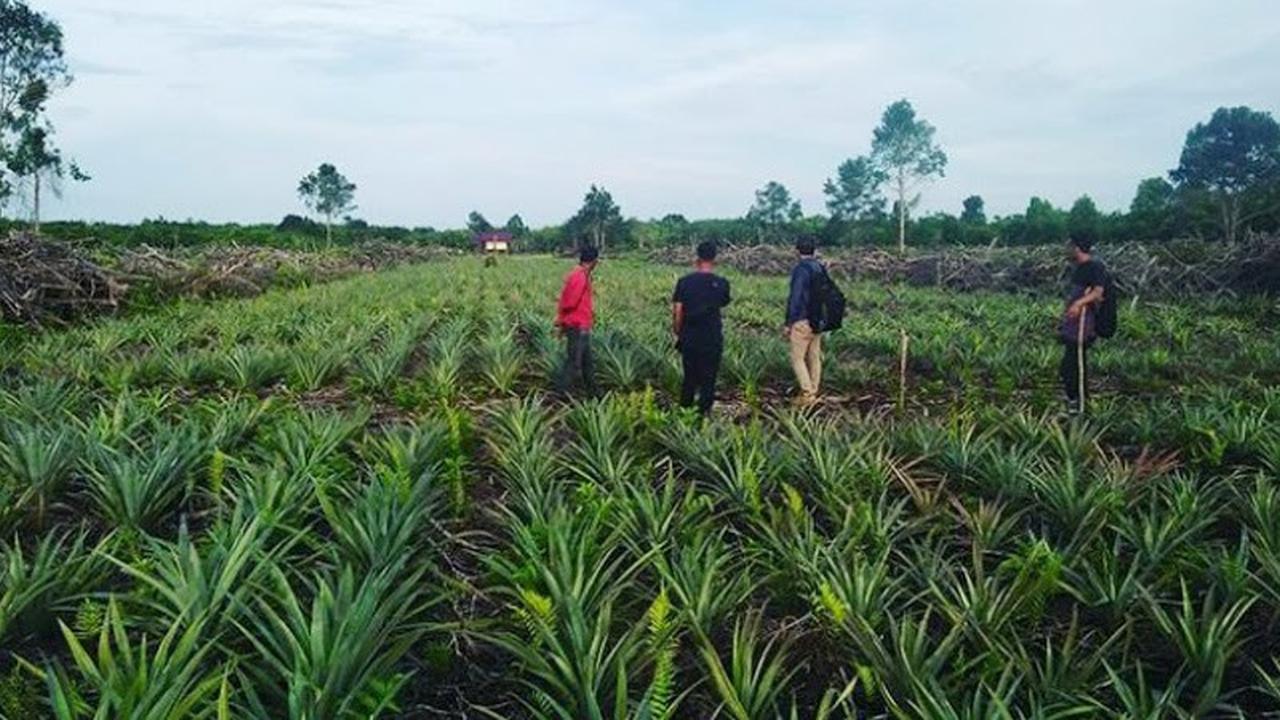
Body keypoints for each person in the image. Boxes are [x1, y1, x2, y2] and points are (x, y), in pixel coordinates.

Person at [672, 241, 732, 416]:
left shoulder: (684, 282)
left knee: (689, 377)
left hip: (690, 337)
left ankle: (684, 413)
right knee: (709, 379)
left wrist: (678, 332)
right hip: (712, 338)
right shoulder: (722, 283)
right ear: (715, 258)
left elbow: (678, 310)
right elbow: (723, 302)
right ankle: (703, 415)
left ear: (697, 258)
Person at [1060, 233, 1107, 415]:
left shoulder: (1095, 267)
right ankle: (1075, 402)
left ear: (1077, 247)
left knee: (1076, 367)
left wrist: (1079, 304)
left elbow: (1098, 292)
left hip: (1083, 326)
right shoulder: (1079, 268)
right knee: (1068, 367)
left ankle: (1081, 407)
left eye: (1069, 246)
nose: (1067, 249)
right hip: (1073, 325)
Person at [784, 236, 826, 406]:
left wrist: (789, 322)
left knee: (797, 358)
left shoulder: (800, 270)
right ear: (814, 251)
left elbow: (796, 297)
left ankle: (807, 395)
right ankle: (814, 390)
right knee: (814, 356)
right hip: (818, 320)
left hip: (802, 320)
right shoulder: (820, 268)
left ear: (797, 251)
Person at [556, 245, 599, 397]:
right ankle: (562, 393)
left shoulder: (579, 274)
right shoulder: (580, 276)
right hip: (577, 325)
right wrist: (562, 320)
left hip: (581, 324)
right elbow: (569, 302)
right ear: (594, 261)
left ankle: (594, 392)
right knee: (574, 362)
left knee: (587, 362)